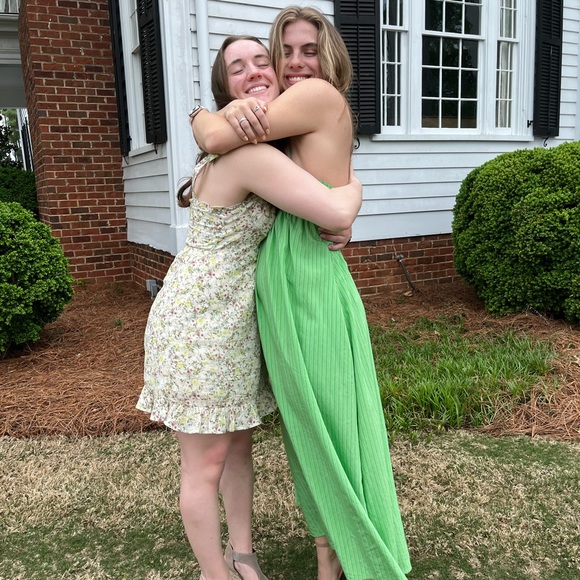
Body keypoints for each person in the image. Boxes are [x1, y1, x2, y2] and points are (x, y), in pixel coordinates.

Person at [191, 7, 412, 580]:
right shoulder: (288, 114)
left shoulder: (313, 95)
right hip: (284, 277)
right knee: (306, 422)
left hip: (308, 274)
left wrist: (202, 112)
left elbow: (215, 137)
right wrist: (351, 195)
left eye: (308, 50)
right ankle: (327, 550)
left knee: (329, 418)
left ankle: (350, 549)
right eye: (284, 51)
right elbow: (326, 181)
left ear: (328, 54)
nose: (295, 62)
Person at [137, 35, 362, 580]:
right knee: (205, 463)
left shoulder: (257, 146)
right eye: (238, 67)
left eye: (263, 60)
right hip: (200, 322)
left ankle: (243, 558)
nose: (255, 71)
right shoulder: (251, 155)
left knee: (237, 447)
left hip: (230, 318)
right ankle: (217, 574)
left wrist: (202, 117)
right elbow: (333, 210)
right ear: (227, 87)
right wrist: (354, 193)